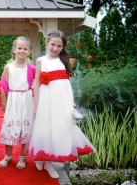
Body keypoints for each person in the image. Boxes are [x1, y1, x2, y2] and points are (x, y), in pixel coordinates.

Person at [27, 30, 95, 178]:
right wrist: (36, 105)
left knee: (61, 127)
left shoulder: (64, 60)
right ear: (47, 43)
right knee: (45, 128)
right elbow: (36, 84)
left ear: (63, 47)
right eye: (53, 44)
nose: (55, 48)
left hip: (61, 100)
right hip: (46, 100)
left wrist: (70, 103)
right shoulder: (41, 61)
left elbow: (66, 84)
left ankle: (51, 158)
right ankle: (44, 160)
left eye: (59, 46)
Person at [0, 36, 35, 169]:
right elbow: (3, 87)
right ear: (14, 50)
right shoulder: (8, 67)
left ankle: (22, 156)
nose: (22, 51)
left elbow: (35, 87)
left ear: (29, 51)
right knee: (10, 127)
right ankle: (8, 156)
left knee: (24, 128)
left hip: (26, 101)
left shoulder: (32, 69)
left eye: (25, 49)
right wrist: (4, 104)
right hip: (13, 100)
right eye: (19, 48)